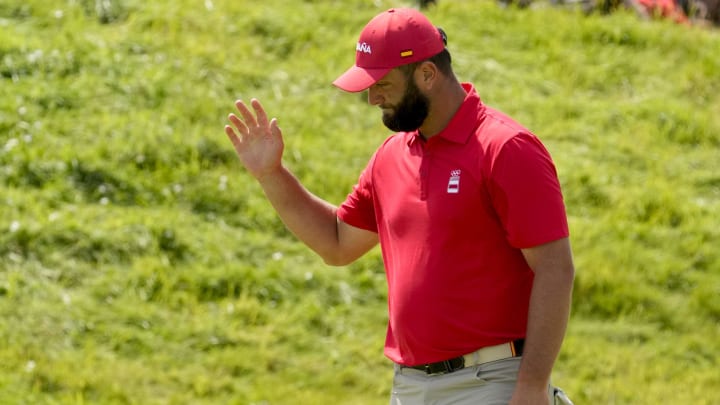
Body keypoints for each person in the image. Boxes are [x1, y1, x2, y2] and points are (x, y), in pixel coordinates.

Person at [224, 7, 575, 405]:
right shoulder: (391, 156)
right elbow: (337, 242)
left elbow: (555, 268)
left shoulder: (506, 149)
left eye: (383, 85)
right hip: (409, 387)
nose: (373, 98)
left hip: (491, 382)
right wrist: (273, 175)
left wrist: (531, 387)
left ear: (427, 74)